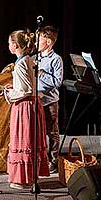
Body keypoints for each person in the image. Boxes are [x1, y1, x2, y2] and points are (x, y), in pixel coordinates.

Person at [3, 30, 50, 189]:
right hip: (33, 105)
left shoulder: (21, 63)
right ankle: (30, 176)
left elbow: (25, 91)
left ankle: (22, 180)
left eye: (9, 42)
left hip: (25, 107)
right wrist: (14, 86)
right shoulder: (29, 60)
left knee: (24, 139)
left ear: (15, 45)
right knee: (31, 140)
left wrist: (8, 93)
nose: (8, 45)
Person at [37, 26, 63, 173]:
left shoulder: (56, 59)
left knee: (52, 131)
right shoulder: (37, 57)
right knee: (39, 131)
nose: (37, 42)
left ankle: (54, 159)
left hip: (50, 101)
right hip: (37, 100)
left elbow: (57, 82)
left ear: (48, 41)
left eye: (40, 39)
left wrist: (41, 73)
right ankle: (42, 158)